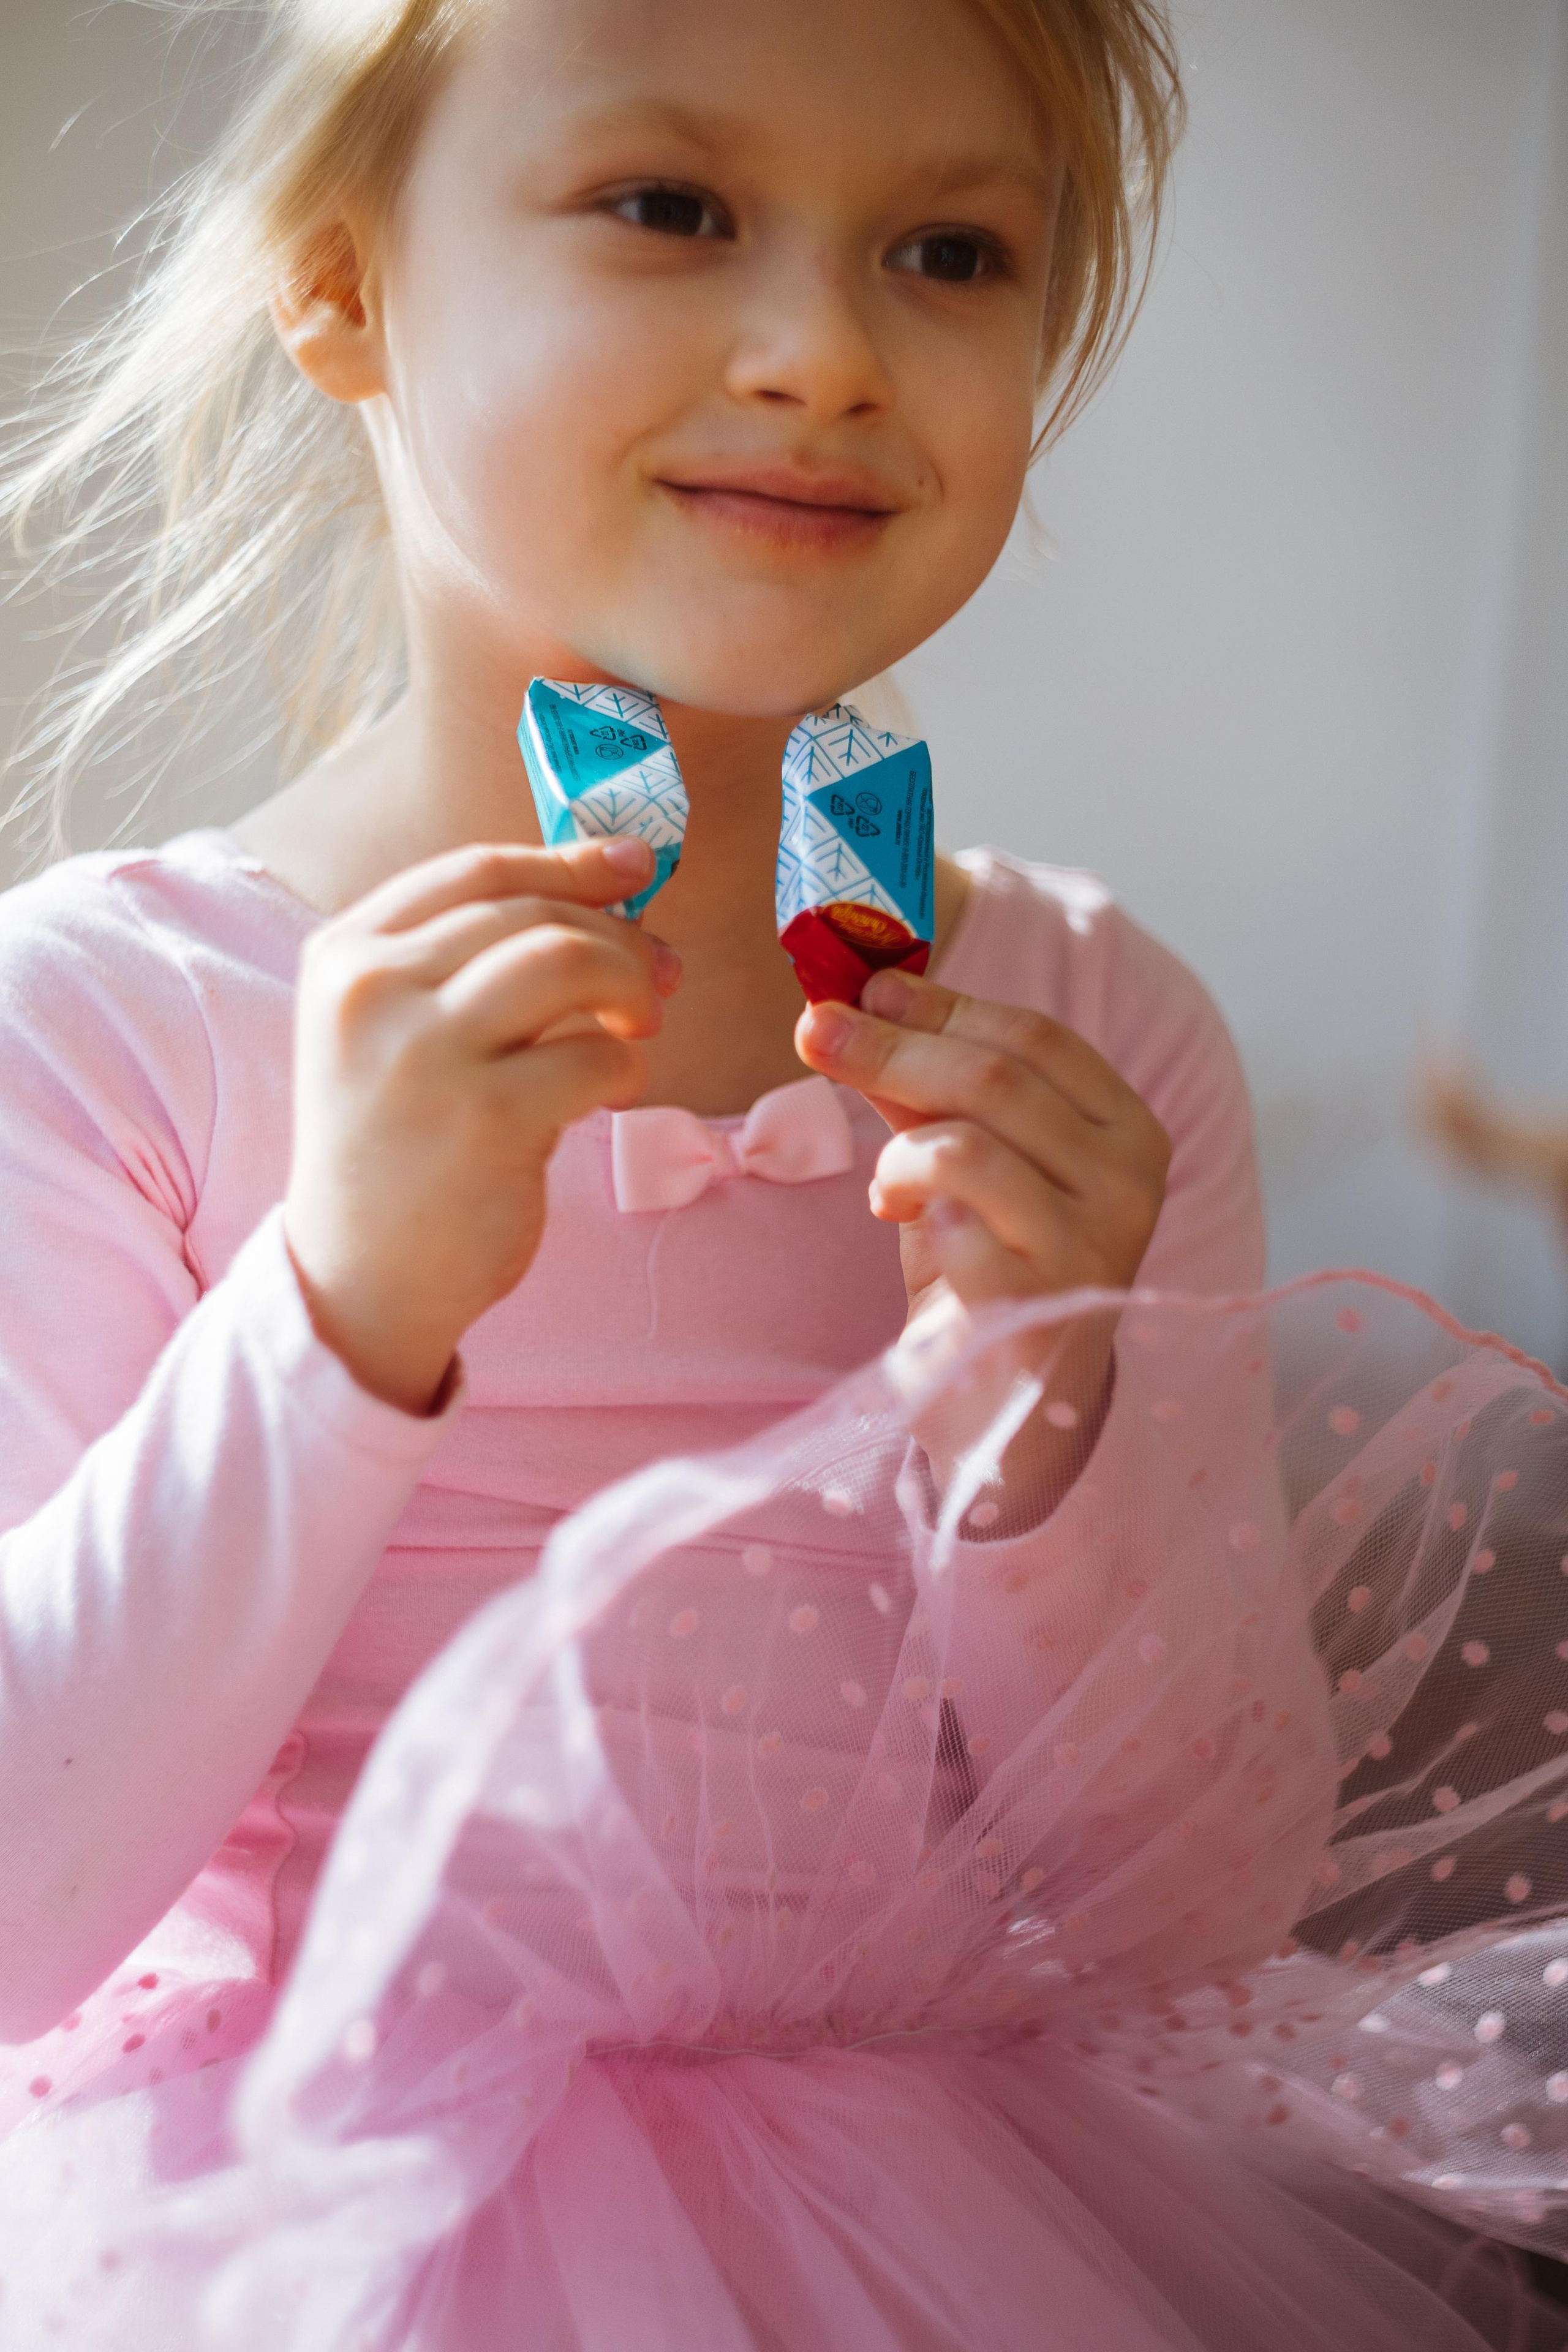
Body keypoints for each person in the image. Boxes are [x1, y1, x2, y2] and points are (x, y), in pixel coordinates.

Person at [1, 2, 1567, 2345]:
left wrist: (1044, 1429)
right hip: (299, 2226)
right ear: (339, 284)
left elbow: (1199, 1907)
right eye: (672, 207)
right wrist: (338, 1320)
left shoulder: (1092, 1027)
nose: (827, 349)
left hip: (968, 2208)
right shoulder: (107, 1023)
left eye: (950, 248)